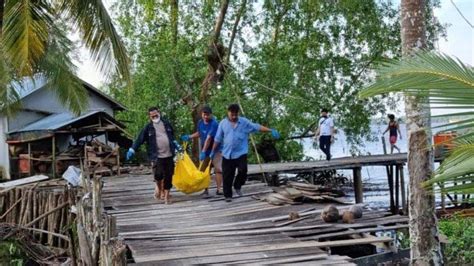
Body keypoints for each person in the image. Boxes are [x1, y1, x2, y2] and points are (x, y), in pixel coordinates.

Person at [210, 104, 280, 202]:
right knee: (227, 176)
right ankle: (228, 195)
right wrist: (212, 151)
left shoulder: (244, 122)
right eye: (232, 115)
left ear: (238, 113)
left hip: (240, 152)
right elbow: (217, 139)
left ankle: (237, 185)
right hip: (227, 154)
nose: (234, 117)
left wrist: (270, 130)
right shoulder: (223, 123)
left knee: (243, 170)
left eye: (236, 115)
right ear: (228, 113)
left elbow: (256, 127)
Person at [126, 107, 180, 204]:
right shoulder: (148, 128)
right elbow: (139, 139)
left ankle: (167, 196)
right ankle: (159, 189)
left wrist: (176, 145)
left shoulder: (166, 124)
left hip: (169, 154)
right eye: (152, 116)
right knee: (158, 175)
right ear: (149, 116)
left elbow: (172, 136)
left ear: (159, 113)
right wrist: (132, 149)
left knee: (168, 175)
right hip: (157, 156)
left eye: (156, 115)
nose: (155, 117)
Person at [181, 105, 223, 196]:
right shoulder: (200, 122)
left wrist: (203, 151)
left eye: (207, 114)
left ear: (211, 115)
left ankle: (219, 189)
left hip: (216, 150)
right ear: (202, 114)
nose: (206, 116)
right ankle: (206, 190)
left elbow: (208, 138)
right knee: (203, 170)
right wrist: (189, 136)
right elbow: (199, 133)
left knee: (218, 169)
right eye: (204, 114)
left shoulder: (214, 124)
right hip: (206, 150)